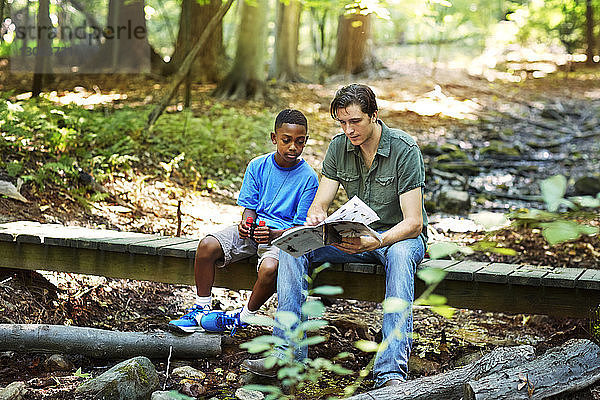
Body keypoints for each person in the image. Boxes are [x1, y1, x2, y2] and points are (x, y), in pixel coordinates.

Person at [243, 84, 428, 387]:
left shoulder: (404, 150)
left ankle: (390, 371)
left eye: (355, 121)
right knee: (294, 246)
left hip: (396, 237)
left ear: (374, 115)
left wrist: (378, 241)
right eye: (342, 122)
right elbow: (321, 202)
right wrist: (317, 217)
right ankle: (286, 355)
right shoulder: (339, 146)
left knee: (401, 254)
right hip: (354, 234)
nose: (348, 130)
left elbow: (414, 223)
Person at [169, 109, 318, 334]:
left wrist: (272, 235)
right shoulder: (258, 166)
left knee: (270, 268)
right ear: (274, 138)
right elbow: (250, 209)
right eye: (286, 140)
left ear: (305, 141)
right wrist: (246, 224)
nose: (292, 147)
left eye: (299, 142)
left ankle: (243, 317)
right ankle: (201, 308)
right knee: (207, 245)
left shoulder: (308, 178)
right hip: (253, 233)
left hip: (281, 238)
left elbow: (300, 228)